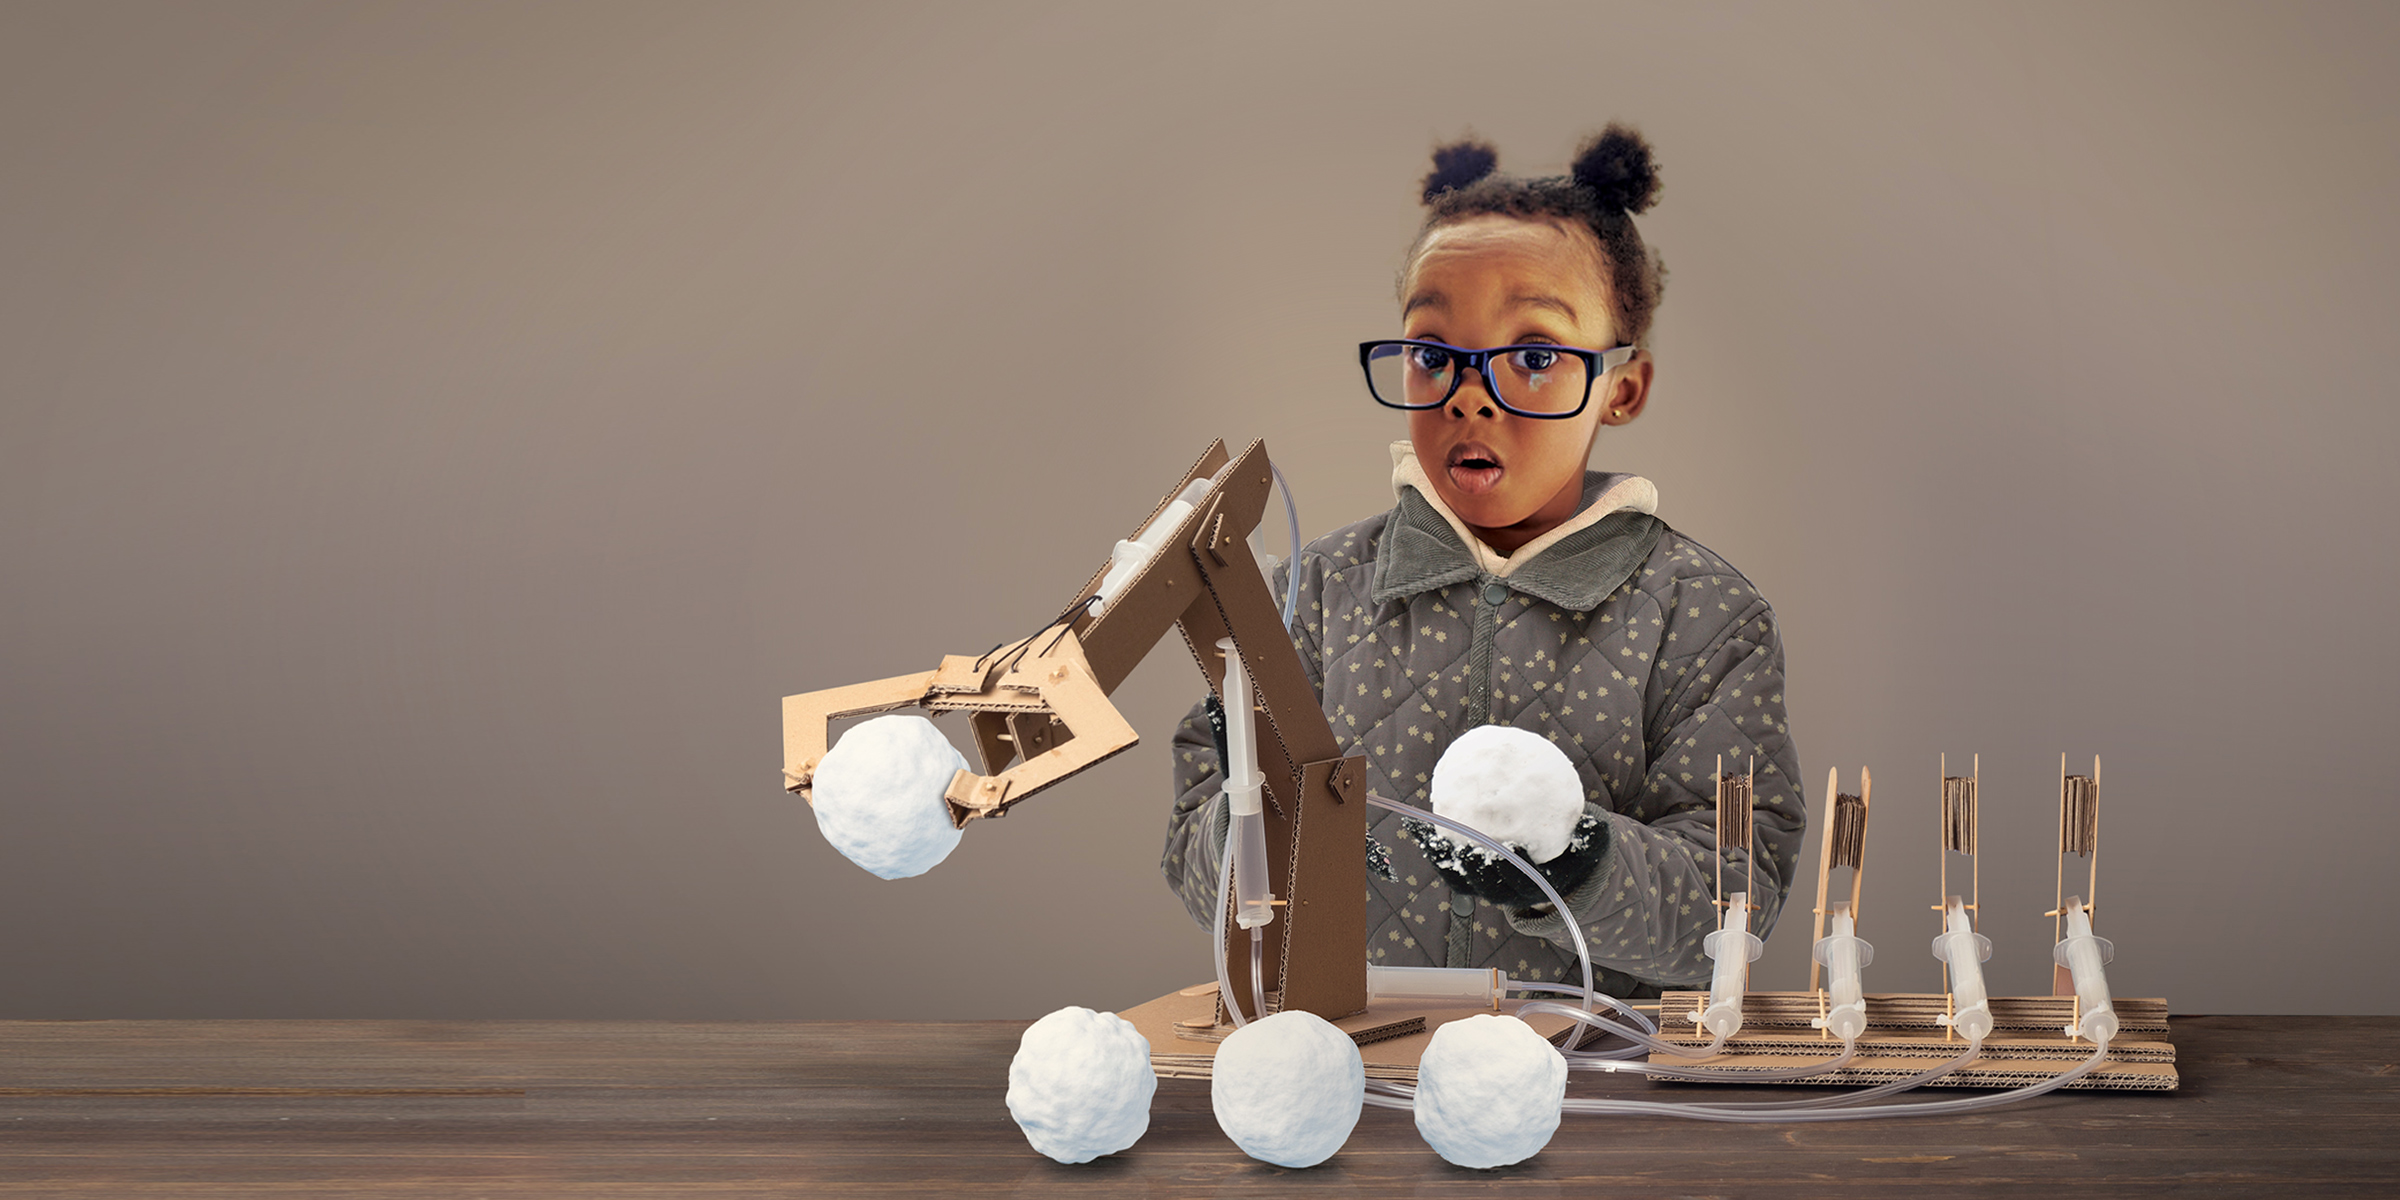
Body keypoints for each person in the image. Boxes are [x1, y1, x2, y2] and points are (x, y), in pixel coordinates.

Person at [1160, 126, 1806, 1000]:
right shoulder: (1313, 594)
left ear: (1622, 388)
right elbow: (1196, 863)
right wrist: (1252, 822)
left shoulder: (1703, 617)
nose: (1469, 393)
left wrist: (1575, 860)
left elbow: (1736, 909)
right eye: (1433, 354)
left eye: (1534, 357)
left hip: (1594, 1088)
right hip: (1354, 1070)